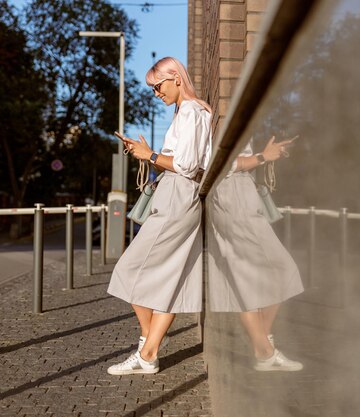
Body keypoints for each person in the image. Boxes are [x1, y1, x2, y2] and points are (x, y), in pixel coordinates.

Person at [106, 57, 211, 375]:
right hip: (178, 196)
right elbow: (181, 162)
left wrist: (149, 154)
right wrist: (148, 152)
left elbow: (188, 166)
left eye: (157, 86)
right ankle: (148, 351)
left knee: (129, 270)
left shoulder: (192, 111)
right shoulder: (188, 112)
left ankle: (147, 349)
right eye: (152, 88)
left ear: (176, 78)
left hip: (178, 198)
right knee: (167, 280)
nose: (155, 92)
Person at [208, 136, 305, 371]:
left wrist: (263, 155)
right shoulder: (217, 110)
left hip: (239, 194)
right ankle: (263, 349)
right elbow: (221, 163)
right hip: (233, 197)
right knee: (272, 271)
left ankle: (263, 343)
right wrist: (262, 157)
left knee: (266, 272)